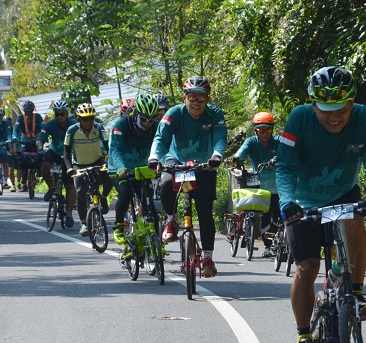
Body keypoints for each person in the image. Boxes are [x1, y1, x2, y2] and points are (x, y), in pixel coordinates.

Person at [275, 66, 366, 343]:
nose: (334, 117)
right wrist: (288, 200)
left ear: (351, 103)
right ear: (313, 104)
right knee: (307, 266)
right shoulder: (299, 118)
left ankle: (355, 293)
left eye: (341, 110)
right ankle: (304, 337)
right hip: (303, 201)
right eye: (325, 110)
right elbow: (285, 166)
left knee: (353, 223)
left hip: (344, 194)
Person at [148, 75, 227, 278]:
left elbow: (220, 138)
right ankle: (171, 220)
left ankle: (208, 257)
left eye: (201, 99)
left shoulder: (215, 114)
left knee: (205, 212)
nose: (197, 103)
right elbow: (160, 138)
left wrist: (217, 156)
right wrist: (155, 157)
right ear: (185, 98)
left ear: (208, 99)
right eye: (192, 98)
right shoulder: (174, 113)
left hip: (204, 166)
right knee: (166, 183)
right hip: (177, 162)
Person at [109, 93, 160, 245]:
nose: (147, 123)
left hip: (142, 169)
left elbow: (163, 146)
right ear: (136, 113)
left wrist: (161, 162)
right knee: (126, 192)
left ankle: (155, 242)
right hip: (119, 168)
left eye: (151, 119)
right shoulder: (121, 125)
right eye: (144, 119)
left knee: (149, 203)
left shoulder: (156, 127)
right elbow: (115, 149)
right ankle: (118, 225)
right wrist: (120, 167)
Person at [229, 111, 281, 257]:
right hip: (259, 185)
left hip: (278, 186)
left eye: (268, 130)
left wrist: (276, 160)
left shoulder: (278, 141)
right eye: (261, 130)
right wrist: (236, 158)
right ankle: (267, 246)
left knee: (278, 216)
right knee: (264, 214)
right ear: (256, 131)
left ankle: (278, 243)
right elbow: (242, 152)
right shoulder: (251, 142)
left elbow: (286, 152)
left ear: (272, 130)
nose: (265, 134)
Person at [64, 103, 113, 236]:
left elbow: (109, 146)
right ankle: (84, 224)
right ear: (78, 119)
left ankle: (103, 197)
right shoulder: (71, 131)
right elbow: (66, 153)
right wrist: (69, 169)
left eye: (91, 118)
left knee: (111, 178)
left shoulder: (99, 127)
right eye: (85, 119)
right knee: (80, 191)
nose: (88, 121)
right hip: (79, 164)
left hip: (97, 161)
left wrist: (111, 162)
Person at [37, 101, 78, 227]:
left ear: (67, 114)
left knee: (70, 184)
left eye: (62, 114)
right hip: (55, 151)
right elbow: (40, 138)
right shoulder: (50, 124)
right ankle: (52, 188)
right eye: (57, 114)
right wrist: (39, 147)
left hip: (69, 155)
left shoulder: (74, 125)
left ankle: (69, 214)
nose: (59, 117)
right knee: (45, 166)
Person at [12, 99, 44, 192]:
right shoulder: (20, 118)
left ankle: (39, 174)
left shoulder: (38, 117)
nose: (28, 114)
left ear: (32, 110)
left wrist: (42, 137)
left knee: (40, 155)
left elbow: (43, 127)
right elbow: (16, 130)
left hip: (36, 140)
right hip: (25, 141)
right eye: (26, 112)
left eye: (29, 111)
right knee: (23, 160)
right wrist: (15, 138)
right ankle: (23, 183)